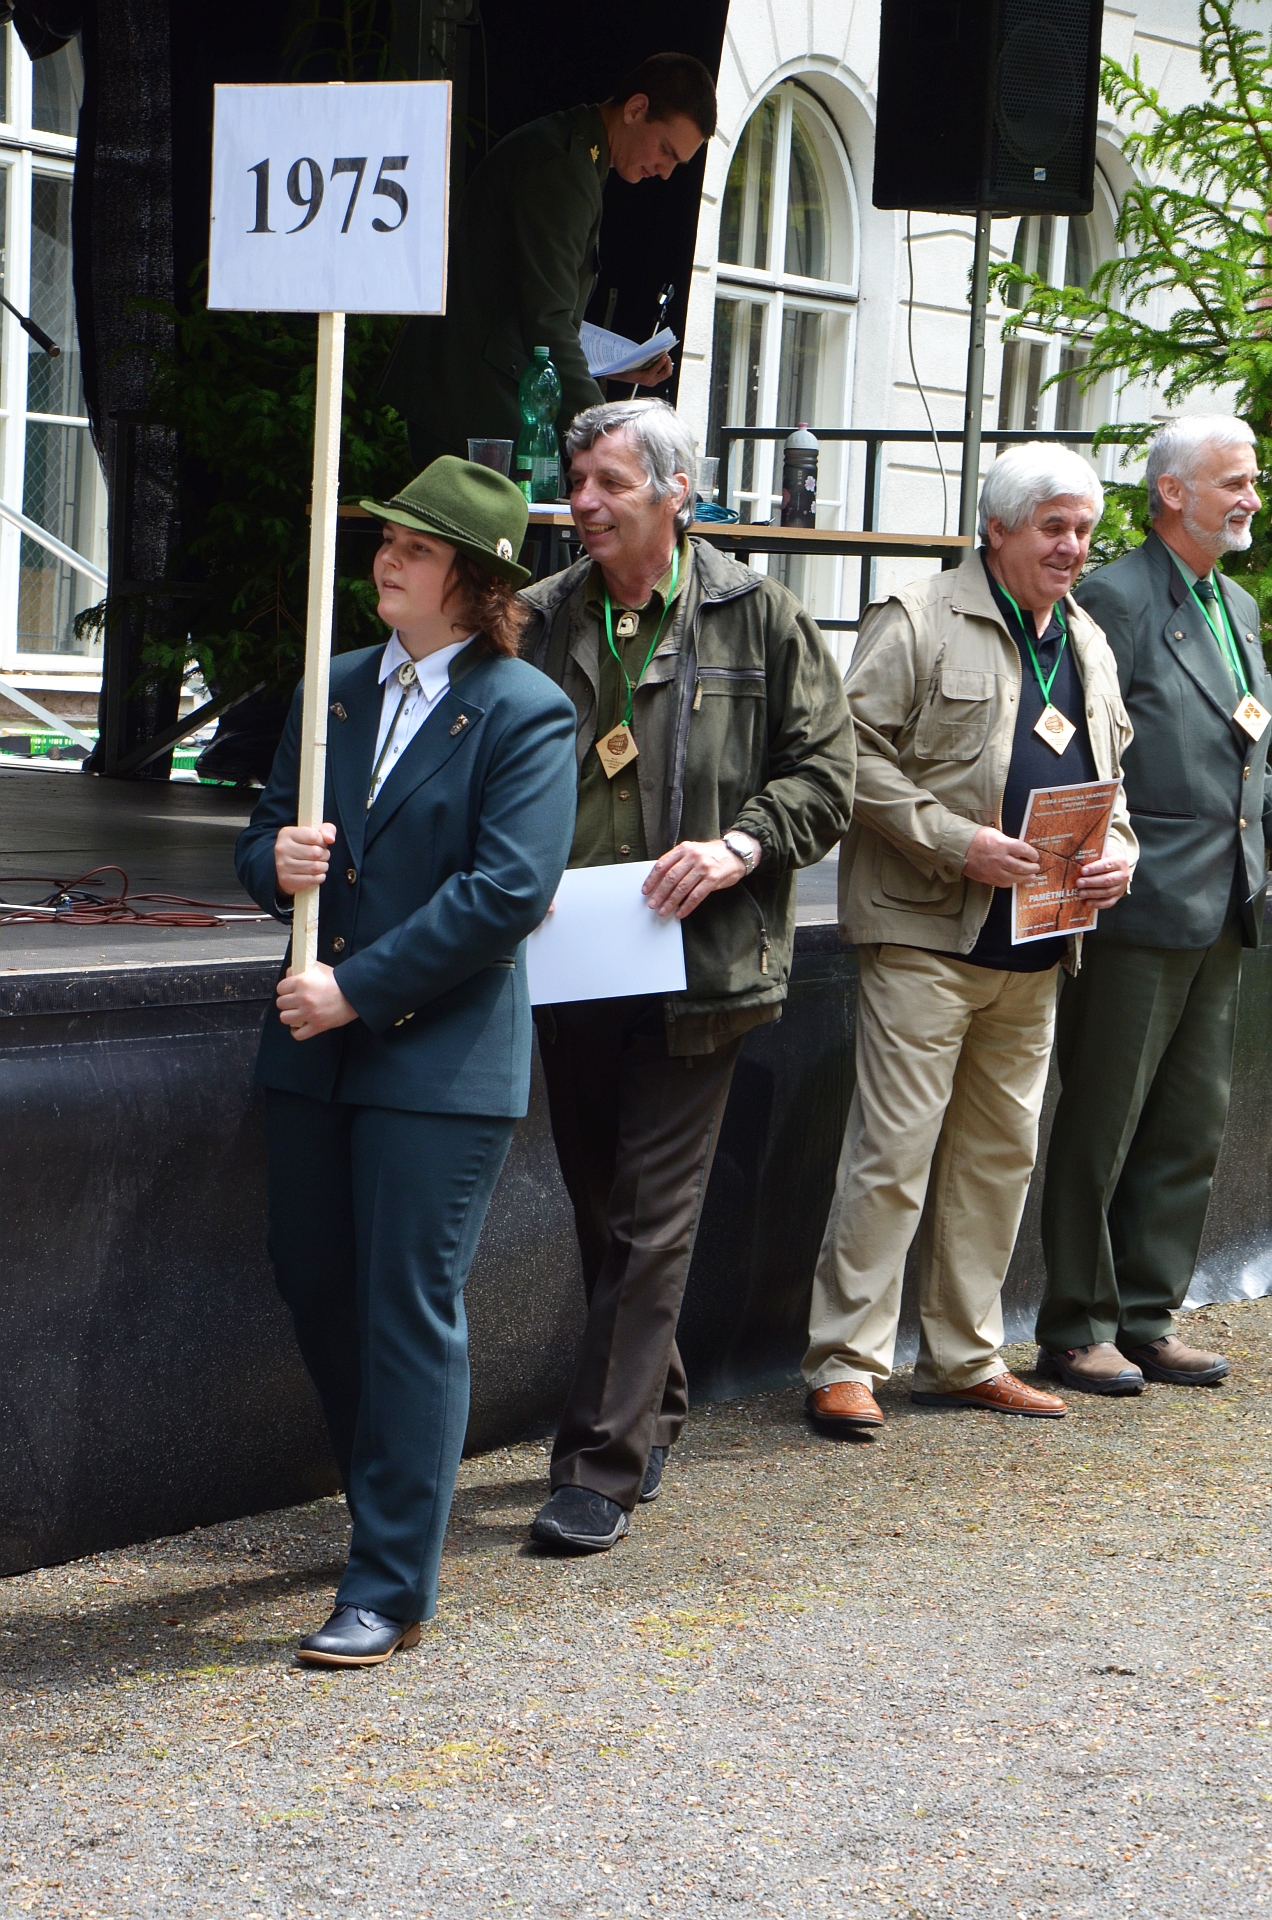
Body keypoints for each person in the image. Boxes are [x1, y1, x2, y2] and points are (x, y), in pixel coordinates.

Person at [235, 458, 577, 1665]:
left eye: (417, 548)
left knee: (405, 1306)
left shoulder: (527, 709)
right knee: (315, 1282)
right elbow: (260, 838)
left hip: (438, 1061)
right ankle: (382, 1502)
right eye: (387, 539)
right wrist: (275, 861)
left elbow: (507, 892)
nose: (388, 558)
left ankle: (389, 1582)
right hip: (310, 1050)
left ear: (476, 582)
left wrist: (358, 989)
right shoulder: (332, 686)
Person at [520, 397, 855, 1552]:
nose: (584, 501)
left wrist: (738, 847)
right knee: (601, 1209)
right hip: (570, 960)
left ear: (678, 493)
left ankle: (598, 1468)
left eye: (610, 482)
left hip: (701, 970)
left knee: (650, 1222)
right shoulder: (539, 617)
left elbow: (827, 775)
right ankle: (653, 1407)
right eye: (576, 480)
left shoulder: (760, 615)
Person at [803, 444, 1137, 1435]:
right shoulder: (917, 618)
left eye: (1083, 529)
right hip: (926, 937)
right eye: (1053, 526)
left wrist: (1121, 851)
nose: (1072, 546)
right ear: (995, 528)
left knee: (997, 1162)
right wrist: (955, 842)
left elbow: (1114, 780)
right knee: (892, 1158)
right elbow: (845, 754)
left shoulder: (1087, 639)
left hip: (1038, 949)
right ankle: (844, 1363)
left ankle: (963, 1357)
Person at [1035, 416, 1272, 1394]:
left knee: (1188, 1126)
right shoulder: (1114, 599)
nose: (1252, 497)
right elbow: (1081, 744)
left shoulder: (1237, 605)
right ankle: (1075, 1324)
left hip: (1225, 900)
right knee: (1103, 1122)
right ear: (1173, 492)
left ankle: (1147, 1314)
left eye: (1253, 480)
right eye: (1235, 481)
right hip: (1135, 901)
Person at [381, 53, 717, 469]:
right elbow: (547, 320)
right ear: (635, 109)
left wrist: (609, 369)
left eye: (676, 163)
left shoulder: (572, 152)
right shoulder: (562, 166)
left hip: (472, 391)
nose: (665, 172)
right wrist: (609, 434)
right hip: (472, 400)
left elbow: (534, 303)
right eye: (665, 149)